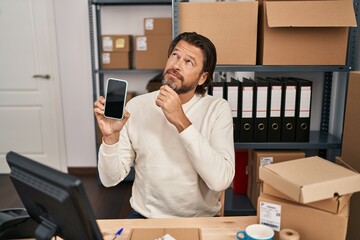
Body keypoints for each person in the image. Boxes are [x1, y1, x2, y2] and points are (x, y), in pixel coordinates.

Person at [93, 32, 235, 218]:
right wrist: (110, 138)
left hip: (199, 219)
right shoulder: (136, 106)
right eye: (175, 55)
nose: (176, 65)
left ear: (202, 78)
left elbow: (220, 181)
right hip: (145, 216)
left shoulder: (217, 109)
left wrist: (181, 120)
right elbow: (109, 180)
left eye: (188, 62)